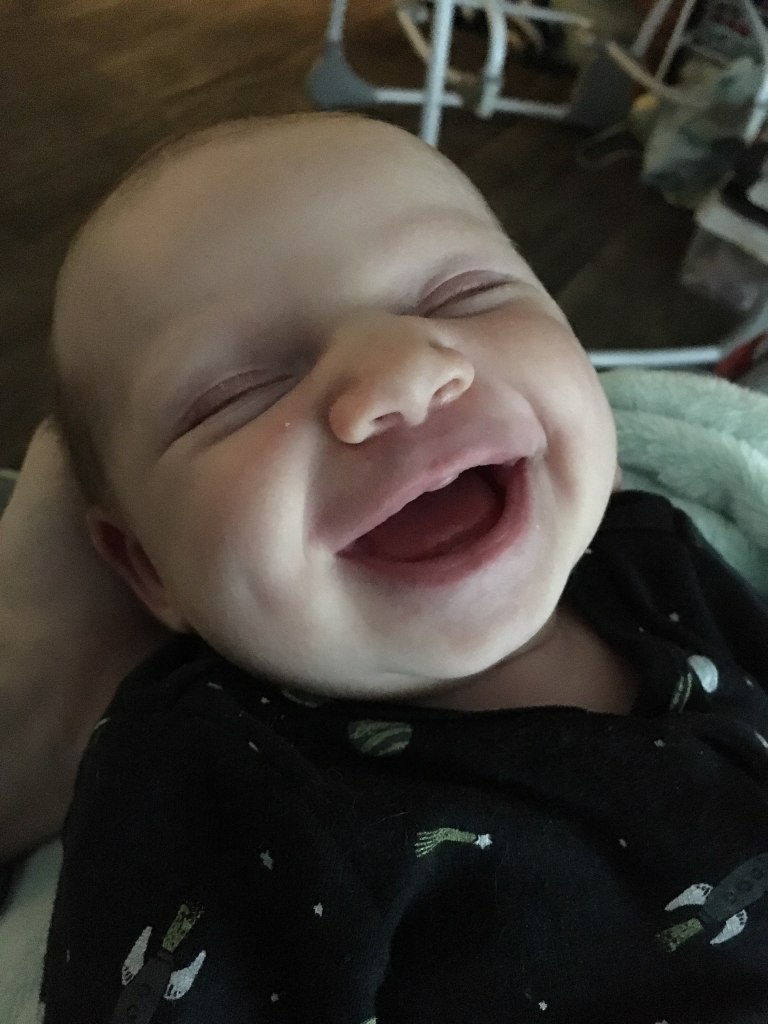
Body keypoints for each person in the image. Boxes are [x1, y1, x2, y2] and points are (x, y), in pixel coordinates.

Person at [26, 112, 768, 1022]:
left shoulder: (653, 553)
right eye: (236, 392)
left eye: (464, 293)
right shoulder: (211, 787)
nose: (401, 374)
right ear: (148, 568)